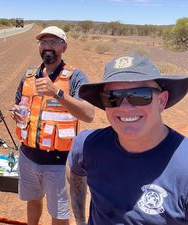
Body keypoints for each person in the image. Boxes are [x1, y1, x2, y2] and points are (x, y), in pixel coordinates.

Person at [66, 54, 188, 225]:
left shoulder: (184, 167)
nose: (125, 107)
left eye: (139, 95)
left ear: (162, 101)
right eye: (112, 97)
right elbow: (75, 169)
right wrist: (80, 219)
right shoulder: (88, 145)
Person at [11, 26, 95, 225]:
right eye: (43, 43)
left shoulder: (75, 77)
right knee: (33, 200)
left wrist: (56, 92)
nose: (47, 47)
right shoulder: (29, 76)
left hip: (59, 161)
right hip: (28, 156)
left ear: (64, 47)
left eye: (53, 42)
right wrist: (16, 112)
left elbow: (89, 114)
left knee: (59, 213)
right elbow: (19, 104)